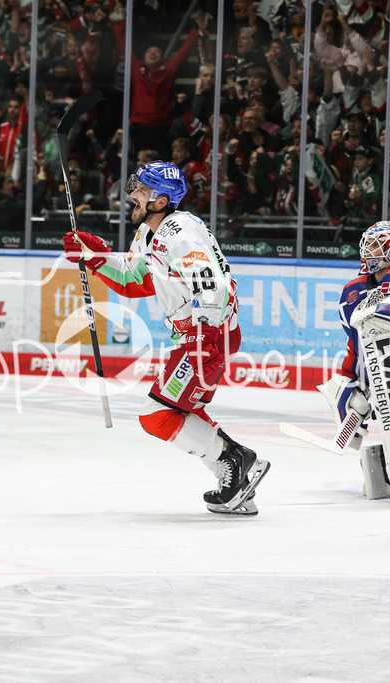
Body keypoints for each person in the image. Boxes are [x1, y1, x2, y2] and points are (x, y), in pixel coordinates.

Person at [61, 161, 270, 514]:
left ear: (160, 200)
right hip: (201, 336)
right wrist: (96, 256)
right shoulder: (150, 233)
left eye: (140, 191)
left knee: (157, 415)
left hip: (207, 335)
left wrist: (203, 338)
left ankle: (235, 460)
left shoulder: (179, 231)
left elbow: (211, 286)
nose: (132, 196)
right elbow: (134, 279)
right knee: (181, 412)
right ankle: (237, 474)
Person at [317, 221, 390, 503]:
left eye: (374, 244)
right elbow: (355, 342)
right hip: (379, 371)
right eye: (367, 244)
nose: (367, 250)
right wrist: (351, 380)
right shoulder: (352, 291)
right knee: (342, 390)